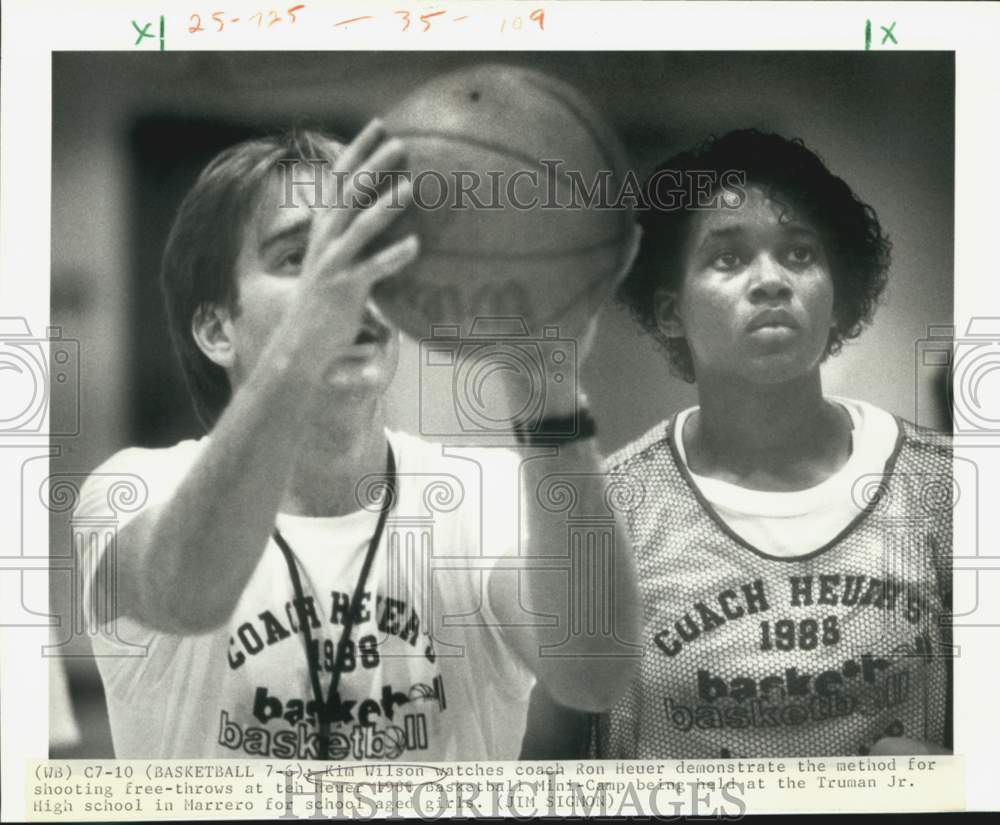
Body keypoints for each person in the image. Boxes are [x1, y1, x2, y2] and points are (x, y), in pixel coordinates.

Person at [74, 121, 641, 760]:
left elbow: (593, 675)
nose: (351, 288)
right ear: (216, 330)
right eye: (300, 258)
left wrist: (550, 387)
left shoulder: (484, 495)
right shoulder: (132, 489)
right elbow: (189, 596)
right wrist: (307, 337)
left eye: (369, 253)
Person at [593, 129, 953, 759]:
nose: (771, 281)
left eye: (799, 254)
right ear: (671, 310)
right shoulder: (609, 509)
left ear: (837, 297)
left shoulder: (946, 490)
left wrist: (965, 779)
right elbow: (547, 768)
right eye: (728, 259)